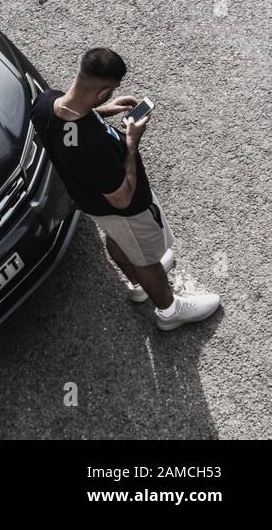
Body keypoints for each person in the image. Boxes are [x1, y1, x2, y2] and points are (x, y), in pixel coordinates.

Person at [31, 48, 220, 329]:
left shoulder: (47, 103)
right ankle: (169, 311)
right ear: (102, 90)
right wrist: (132, 143)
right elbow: (122, 199)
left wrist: (104, 110)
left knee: (119, 241)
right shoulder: (95, 148)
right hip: (125, 212)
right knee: (146, 259)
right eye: (111, 91)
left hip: (92, 204)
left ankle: (137, 284)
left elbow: (68, 130)